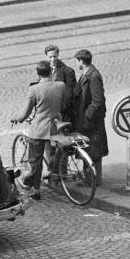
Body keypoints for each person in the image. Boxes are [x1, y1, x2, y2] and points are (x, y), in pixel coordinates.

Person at [13, 59, 66, 202]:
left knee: (35, 160)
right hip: (55, 126)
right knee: (53, 153)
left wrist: (18, 119)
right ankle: (55, 174)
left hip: (39, 128)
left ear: (38, 74)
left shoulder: (34, 89)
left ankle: (35, 189)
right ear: (50, 71)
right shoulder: (61, 86)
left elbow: (26, 113)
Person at [72, 49, 109, 184]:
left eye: (77, 61)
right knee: (88, 149)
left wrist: (87, 116)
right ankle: (90, 178)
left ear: (81, 61)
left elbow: (97, 100)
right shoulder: (87, 74)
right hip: (86, 121)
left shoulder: (93, 76)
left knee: (93, 151)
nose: (76, 64)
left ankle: (94, 180)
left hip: (91, 122)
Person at [44, 43, 76, 126]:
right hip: (48, 111)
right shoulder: (44, 71)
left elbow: (69, 95)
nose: (52, 59)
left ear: (58, 55)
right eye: (50, 57)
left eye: (54, 56)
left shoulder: (68, 72)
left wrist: (59, 110)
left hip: (62, 112)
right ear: (46, 57)